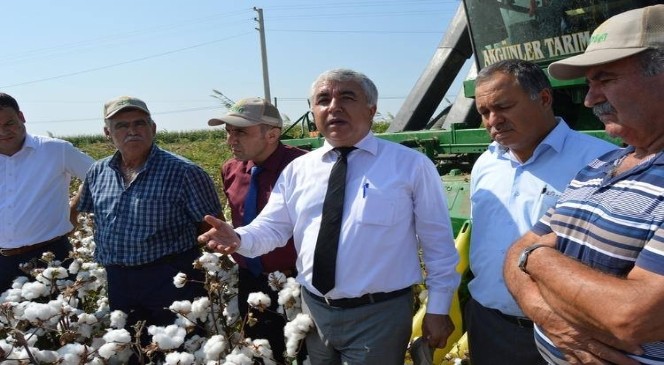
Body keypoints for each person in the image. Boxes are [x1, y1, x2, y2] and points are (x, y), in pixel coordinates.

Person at [199, 68, 460, 365]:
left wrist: (438, 308)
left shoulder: (410, 166)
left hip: (379, 315)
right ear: (313, 111)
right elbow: (273, 227)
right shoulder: (299, 170)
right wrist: (239, 237)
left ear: (371, 109)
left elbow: (438, 245)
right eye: (323, 99)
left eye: (347, 97)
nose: (333, 106)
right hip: (314, 311)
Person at [503, 5, 664, 365]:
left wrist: (537, 258)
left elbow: (631, 316)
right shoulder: (600, 165)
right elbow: (513, 254)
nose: (590, 98)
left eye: (605, 80)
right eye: (590, 83)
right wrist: (549, 318)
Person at [467, 59, 616, 365]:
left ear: (544, 99)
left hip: (568, 334)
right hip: (490, 325)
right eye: (484, 112)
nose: (493, 120)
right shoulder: (485, 164)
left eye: (503, 106)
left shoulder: (601, 162)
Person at [78, 96, 222, 335]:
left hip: (170, 280)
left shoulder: (184, 172)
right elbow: (91, 215)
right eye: (121, 126)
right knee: (131, 347)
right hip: (118, 280)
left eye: (139, 123)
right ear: (107, 132)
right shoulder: (98, 171)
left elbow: (212, 229)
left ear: (153, 128)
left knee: (180, 349)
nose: (132, 131)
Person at [208, 97, 307, 363]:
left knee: (302, 354)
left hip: (294, 283)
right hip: (250, 281)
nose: (231, 140)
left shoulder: (305, 169)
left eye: (240, 131)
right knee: (259, 353)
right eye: (228, 131)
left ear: (272, 134)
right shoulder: (231, 170)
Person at [0, 93, 93, 293]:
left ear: (22, 116)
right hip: (1, 262)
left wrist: (74, 208)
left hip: (50, 256)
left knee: (61, 322)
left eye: (9, 123)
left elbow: (99, 177)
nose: (3, 132)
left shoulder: (55, 150)